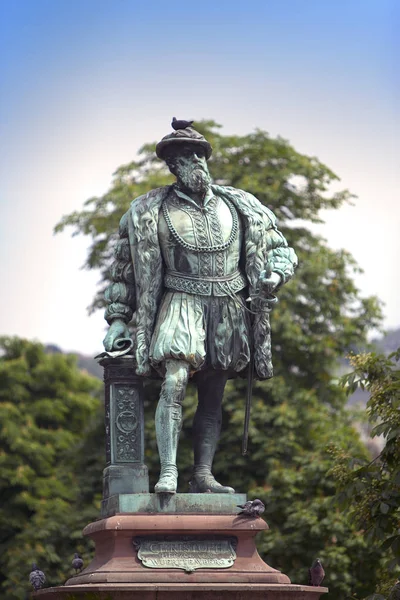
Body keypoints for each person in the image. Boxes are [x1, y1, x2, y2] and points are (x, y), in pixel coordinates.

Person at [103, 123, 298, 494]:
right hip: (181, 300)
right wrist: (117, 317)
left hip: (229, 306)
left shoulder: (245, 207)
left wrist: (273, 276)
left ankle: (203, 474)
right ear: (173, 166)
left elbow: (281, 251)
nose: (196, 162)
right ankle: (170, 471)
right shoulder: (147, 211)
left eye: (199, 155)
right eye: (185, 157)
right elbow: (124, 269)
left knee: (212, 393)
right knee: (175, 380)